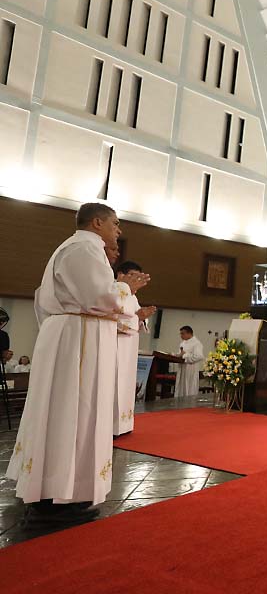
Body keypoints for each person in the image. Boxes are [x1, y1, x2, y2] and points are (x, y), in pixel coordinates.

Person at [7, 202, 149, 523]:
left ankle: (62, 489)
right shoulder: (83, 249)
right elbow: (99, 297)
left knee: (70, 414)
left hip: (73, 337)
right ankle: (57, 495)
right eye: (115, 224)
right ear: (97, 223)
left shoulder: (80, 248)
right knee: (72, 413)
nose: (119, 230)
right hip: (78, 343)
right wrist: (127, 288)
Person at [112, 260, 155, 436]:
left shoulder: (132, 296)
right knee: (115, 384)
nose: (136, 281)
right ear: (120, 275)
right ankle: (113, 426)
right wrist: (137, 317)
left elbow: (137, 320)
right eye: (133, 276)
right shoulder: (113, 291)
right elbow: (112, 319)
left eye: (139, 277)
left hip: (129, 347)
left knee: (127, 384)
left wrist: (142, 316)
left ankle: (124, 425)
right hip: (115, 345)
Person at [177, 326, 204, 397]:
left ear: (189, 333)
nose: (181, 336)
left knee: (189, 388)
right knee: (181, 388)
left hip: (191, 369)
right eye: (180, 334)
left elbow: (199, 356)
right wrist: (177, 355)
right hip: (182, 368)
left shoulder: (196, 343)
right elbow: (181, 354)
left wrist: (185, 355)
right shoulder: (183, 343)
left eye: (183, 334)